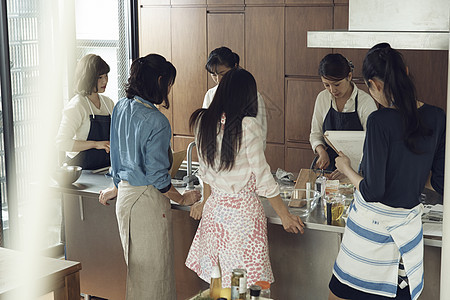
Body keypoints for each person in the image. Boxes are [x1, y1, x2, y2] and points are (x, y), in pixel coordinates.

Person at [328, 43, 445, 300]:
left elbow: (372, 191)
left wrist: (346, 167)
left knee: (337, 295)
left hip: (369, 237)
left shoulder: (380, 121)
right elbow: (438, 182)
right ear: (405, 71)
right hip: (406, 236)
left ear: (375, 85)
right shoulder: (438, 117)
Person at [185, 68, 305, 287]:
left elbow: (205, 173)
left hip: (215, 214)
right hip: (243, 217)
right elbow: (264, 180)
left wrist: (205, 200)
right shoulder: (248, 125)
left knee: (218, 281)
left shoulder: (203, 122)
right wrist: (285, 216)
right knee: (247, 286)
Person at [109, 54, 201, 299]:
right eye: (169, 84)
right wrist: (181, 198)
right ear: (160, 80)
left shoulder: (120, 107)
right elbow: (158, 178)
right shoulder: (157, 121)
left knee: (138, 275)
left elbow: (116, 157)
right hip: (146, 203)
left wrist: (117, 185)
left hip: (125, 201)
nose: (169, 89)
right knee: (154, 279)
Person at [310, 53, 377, 172]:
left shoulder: (365, 102)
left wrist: (348, 170)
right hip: (329, 168)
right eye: (326, 85)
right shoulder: (322, 98)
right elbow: (315, 134)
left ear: (349, 76)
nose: (332, 90)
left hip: (357, 169)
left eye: (337, 84)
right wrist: (321, 151)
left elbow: (372, 144)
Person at [56, 54, 114, 170]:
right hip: (80, 171)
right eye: (100, 77)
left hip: (103, 169)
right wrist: (96, 144)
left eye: (106, 75)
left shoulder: (109, 103)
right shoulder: (77, 105)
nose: (105, 81)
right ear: (88, 78)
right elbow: (61, 143)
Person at [203, 46, 268, 149]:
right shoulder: (210, 95)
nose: (218, 79)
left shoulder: (251, 96)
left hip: (245, 156)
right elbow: (206, 130)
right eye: (213, 74)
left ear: (235, 67)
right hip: (217, 157)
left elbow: (260, 134)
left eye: (222, 74)